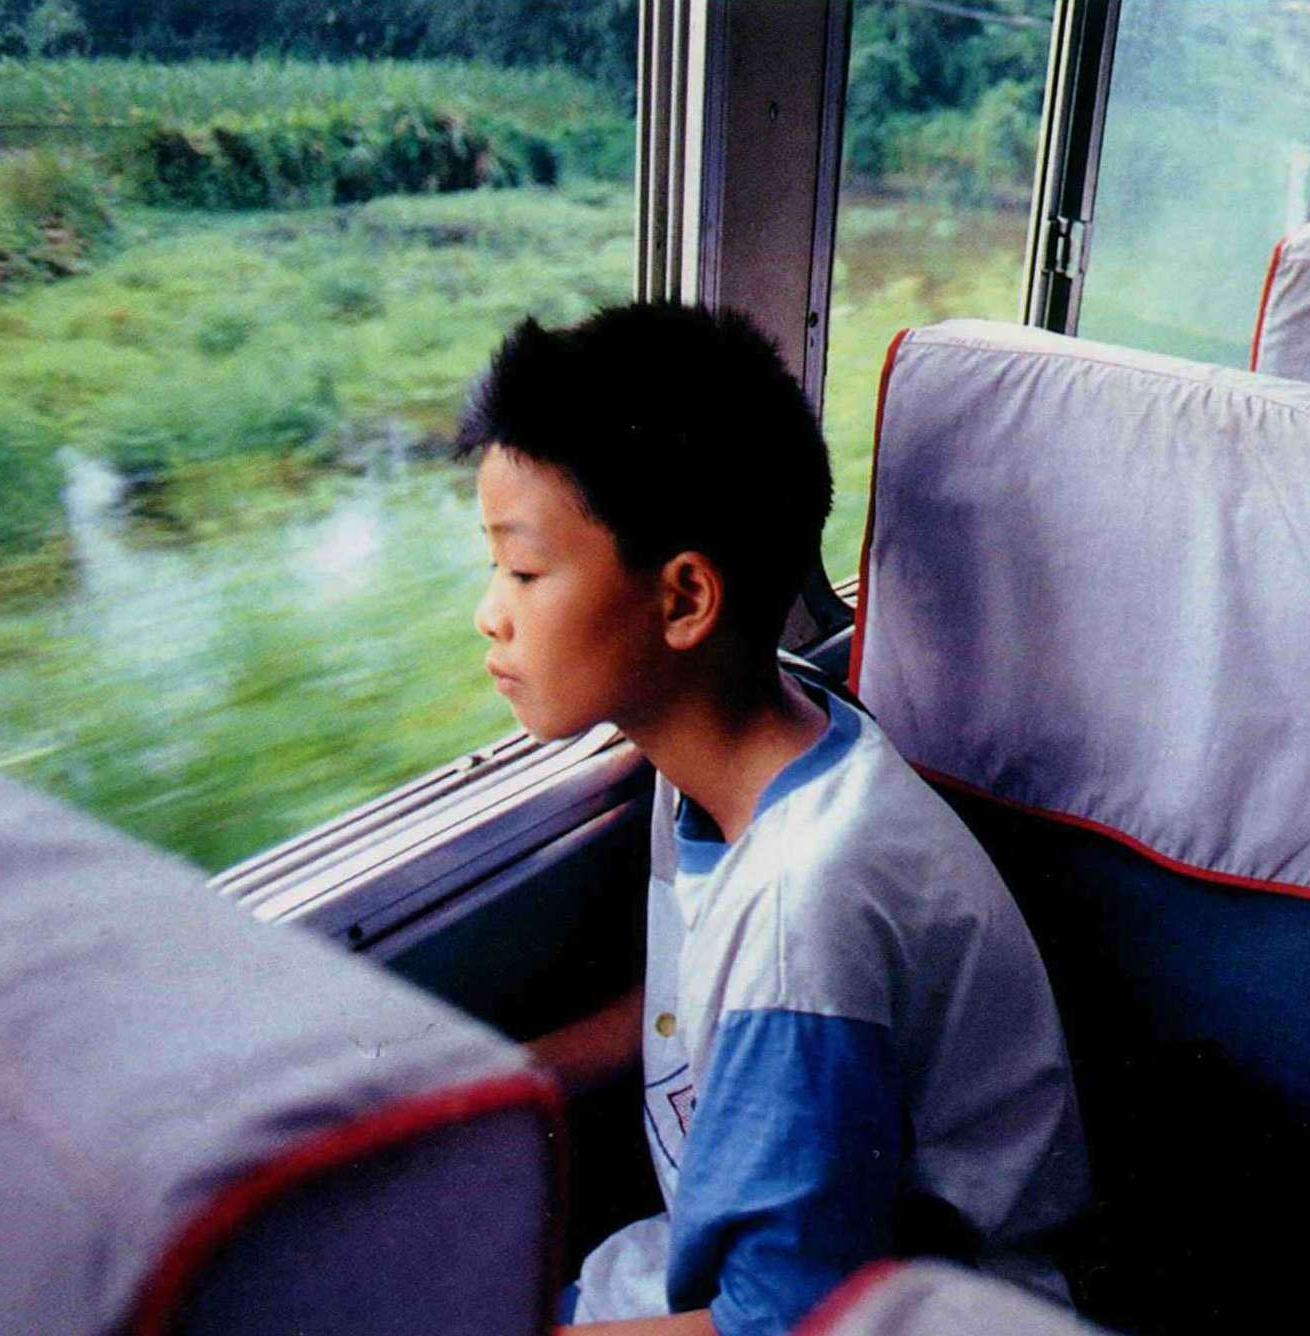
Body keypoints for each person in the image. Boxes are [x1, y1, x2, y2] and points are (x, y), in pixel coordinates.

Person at [456, 303, 1088, 1336]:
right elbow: (697, 998)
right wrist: (509, 1080)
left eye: (523, 572)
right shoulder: (738, 741)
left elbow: (782, 1323)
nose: (491, 611)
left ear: (683, 602)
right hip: (750, 1270)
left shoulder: (808, 901)